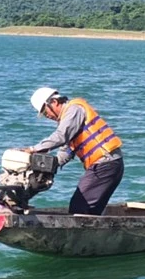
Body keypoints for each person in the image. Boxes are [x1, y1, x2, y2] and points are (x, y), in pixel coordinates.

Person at [25, 87, 124, 215]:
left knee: (79, 207)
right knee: (90, 210)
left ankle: (80, 233)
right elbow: (66, 151)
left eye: (45, 112)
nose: (47, 116)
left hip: (105, 165)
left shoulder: (74, 109)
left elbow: (61, 136)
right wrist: (49, 165)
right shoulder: (69, 120)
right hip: (108, 166)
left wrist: (33, 149)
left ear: (54, 102)